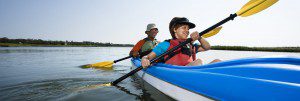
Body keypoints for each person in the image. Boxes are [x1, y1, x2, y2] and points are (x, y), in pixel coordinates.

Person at [141, 17, 221, 68]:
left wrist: (199, 37)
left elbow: (207, 47)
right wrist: (144, 60)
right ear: (175, 30)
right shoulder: (166, 44)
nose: (187, 31)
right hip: (175, 74)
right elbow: (147, 57)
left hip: (192, 72)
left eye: (188, 29)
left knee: (217, 61)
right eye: (184, 28)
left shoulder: (190, 45)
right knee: (198, 61)